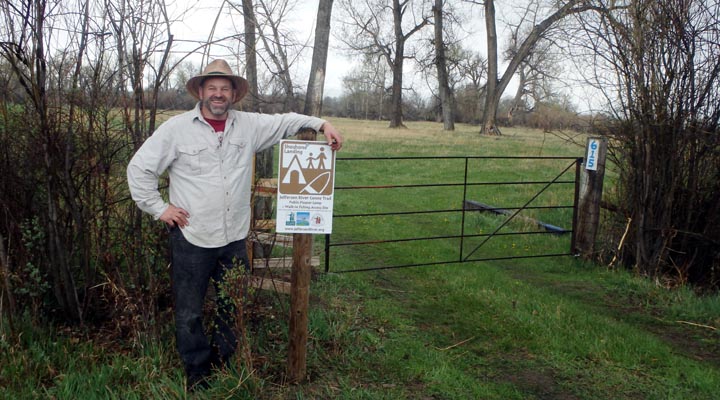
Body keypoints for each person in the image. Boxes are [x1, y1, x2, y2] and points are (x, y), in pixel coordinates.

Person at [126, 59, 343, 391]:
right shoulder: (176, 129)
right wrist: (160, 208)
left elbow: (287, 121)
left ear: (234, 94)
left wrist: (323, 123)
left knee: (232, 305)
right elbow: (139, 169)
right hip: (192, 238)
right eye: (212, 88)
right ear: (200, 91)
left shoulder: (249, 126)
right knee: (189, 311)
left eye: (224, 88)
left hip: (234, 239)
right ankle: (197, 373)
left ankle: (225, 365)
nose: (218, 94)